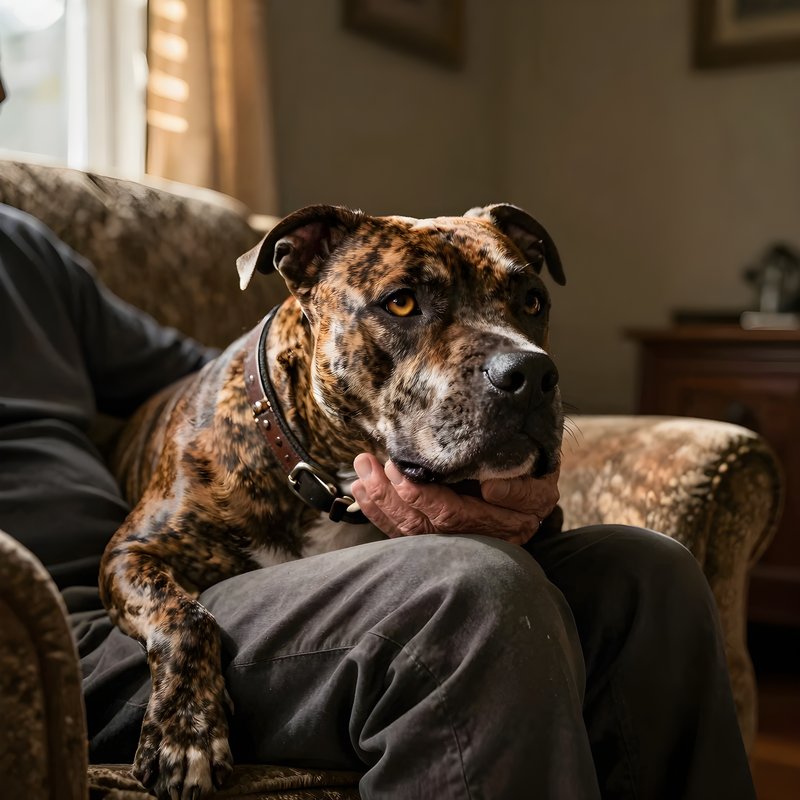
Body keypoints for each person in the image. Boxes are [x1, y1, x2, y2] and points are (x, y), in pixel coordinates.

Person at [0, 92, 755, 800]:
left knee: (648, 575)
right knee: (472, 592)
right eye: (403, 302)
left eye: (524, 303)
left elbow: (201, 381)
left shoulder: (25, 253)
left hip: (257, 586)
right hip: (53, 649)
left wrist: (481, 476)